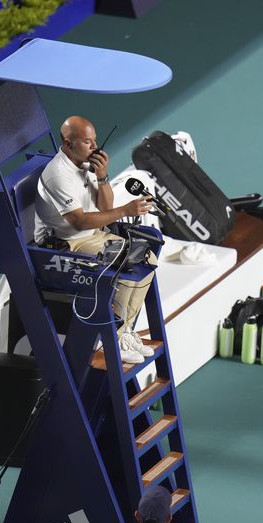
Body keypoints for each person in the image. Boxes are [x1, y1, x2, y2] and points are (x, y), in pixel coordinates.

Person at [34, 115, 156, 364]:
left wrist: (102, 176)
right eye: (88, 142)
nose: (95, 147)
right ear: (68, 144)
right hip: (64, 244)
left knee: (147, 258)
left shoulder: (85, 164)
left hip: (90, 234)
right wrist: (126, 211)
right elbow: (78, 221)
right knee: (126, 261)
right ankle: (115, 337)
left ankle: (124, 330)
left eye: (95, 140)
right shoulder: (59, 174)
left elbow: (105, 207)